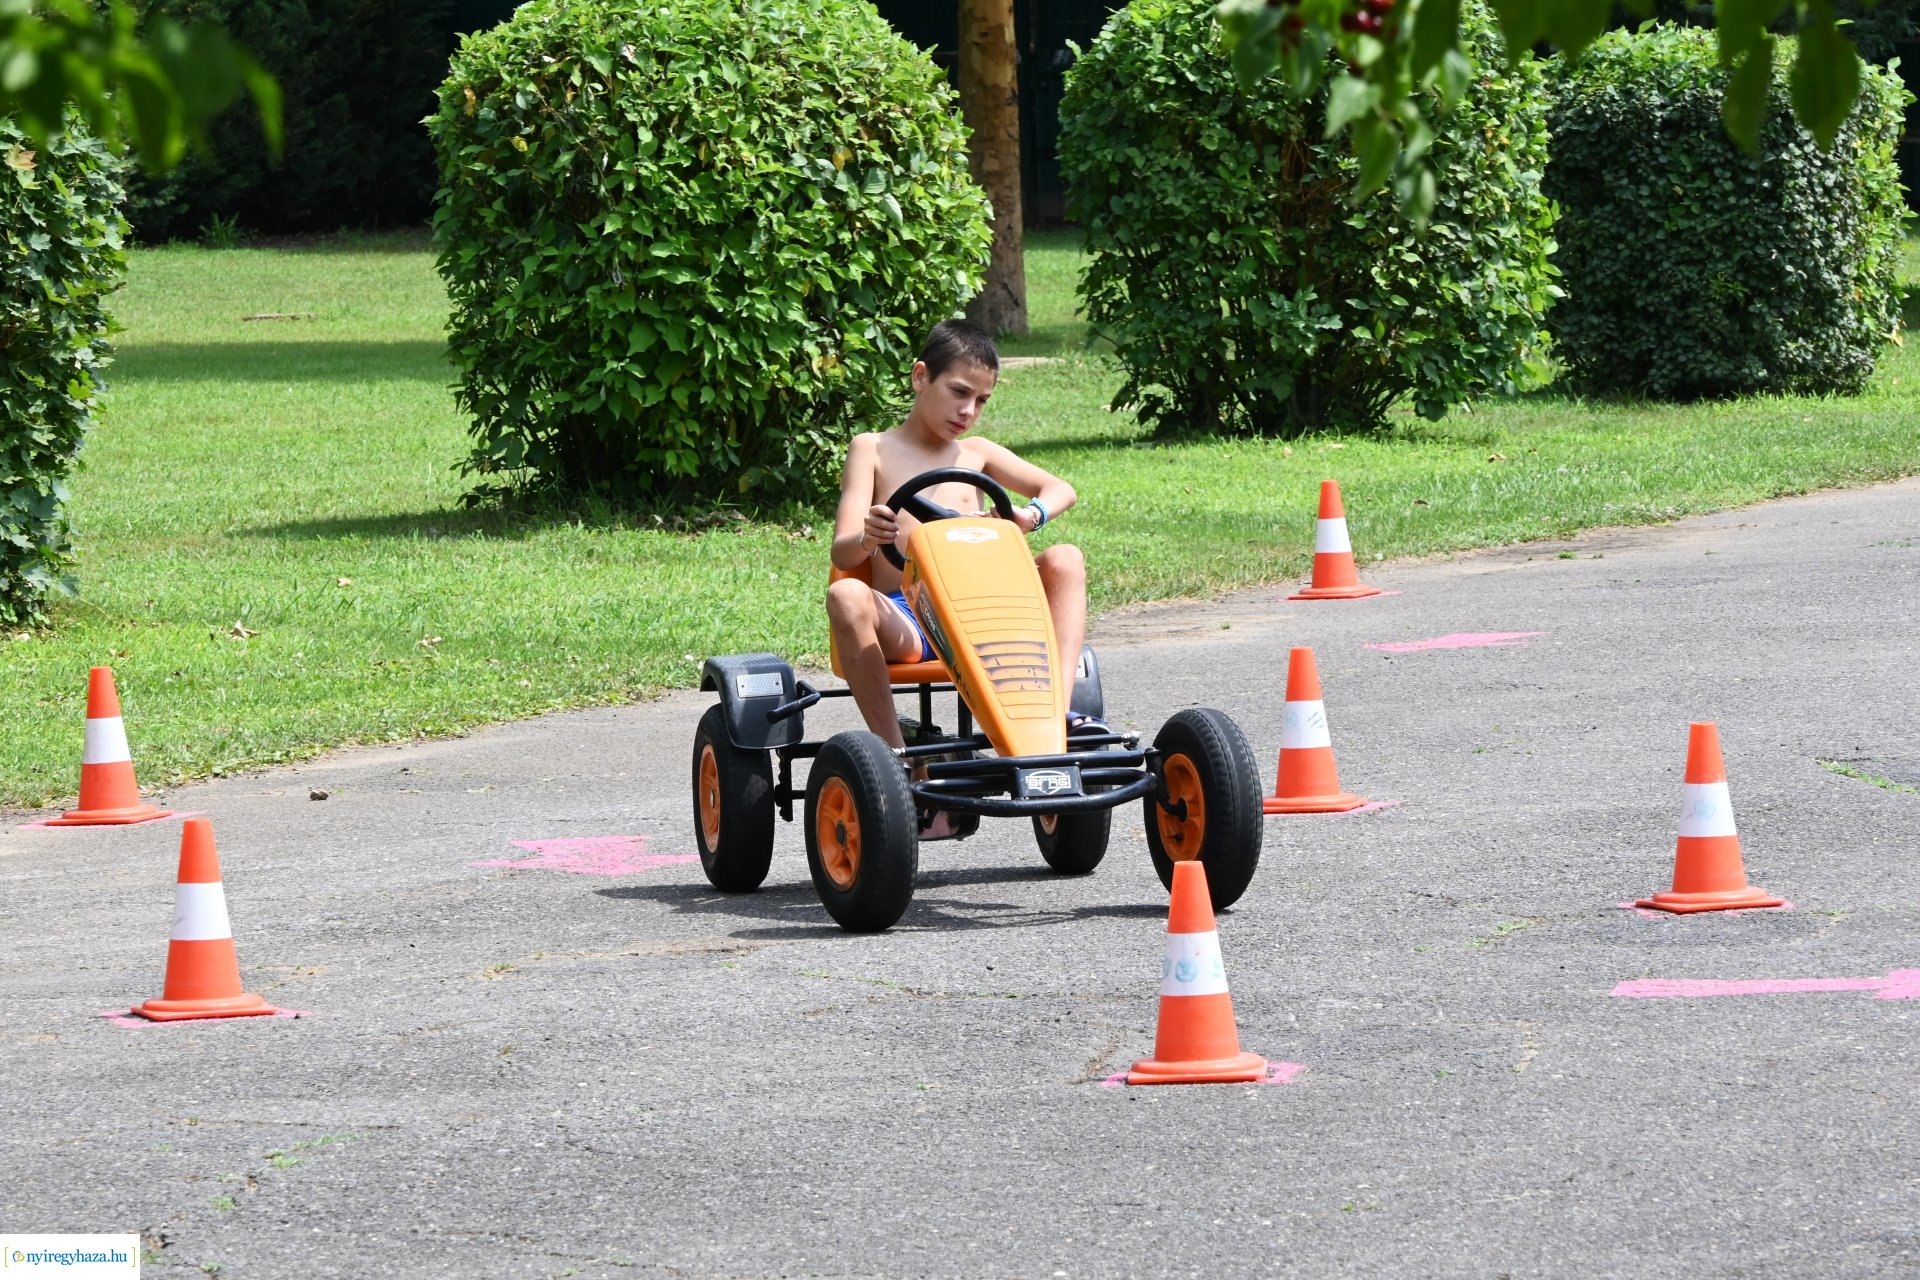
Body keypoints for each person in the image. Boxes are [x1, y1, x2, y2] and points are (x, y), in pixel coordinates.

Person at [826, 318, 1104, 758]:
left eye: (981, 401)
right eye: (959, 392)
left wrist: (1029, 515)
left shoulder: (978, 453)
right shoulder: (872, 448)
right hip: (910, 616)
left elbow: (1061, 490)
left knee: (1066, 558)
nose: (968, 412)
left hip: (985, 616)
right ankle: (898, 757)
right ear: (921, 376)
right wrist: (867, 536)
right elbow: (842, 547)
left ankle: (1057, 716)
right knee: (846, 595)